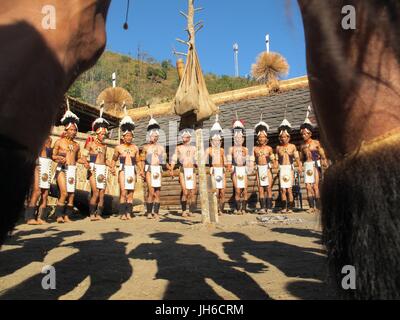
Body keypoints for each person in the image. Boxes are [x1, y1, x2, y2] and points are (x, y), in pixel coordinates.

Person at [52, 108, 90, 223]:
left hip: (72, 170)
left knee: (71, 194)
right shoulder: (59, 142)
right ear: (66, 130)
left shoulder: (77, 145)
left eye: (75, 130)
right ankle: (59, 215)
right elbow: (53, 156)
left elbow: (78, 158)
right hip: (62, 169)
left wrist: (85, 162)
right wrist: (58, 158)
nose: (74, 132)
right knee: (64, 192)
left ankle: (67, 216)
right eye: (72, 130)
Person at [84, 107, 115, 221]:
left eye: (104, 134)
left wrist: (111, 166)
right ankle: (92, 214)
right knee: (96, 192)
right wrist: (86, 164)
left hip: (102, 169)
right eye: (101, 134)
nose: (103, 136)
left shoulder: (105, 146)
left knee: (102, 193)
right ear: (97, 133)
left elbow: (105, 159)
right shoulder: (90, 144)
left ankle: (99, 214)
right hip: (93, 168)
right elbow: (83, 157)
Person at [110, 113, 140, 221]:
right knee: (123, 192)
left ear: (132, 136)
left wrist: (141, 170)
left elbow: (138, 161)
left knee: (131, 193)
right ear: (123, 137)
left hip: (132, 170)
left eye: (130, 136)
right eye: (127, 136)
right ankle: (122, 213)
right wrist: (112, 168)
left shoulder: (135, 148)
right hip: (122, 170)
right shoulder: (118, 148)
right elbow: (113, 159)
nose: (128, 137)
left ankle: (128, 213)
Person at [299, 107, 328, 213]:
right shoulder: (302, 146)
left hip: (315, 164)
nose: (303, 135)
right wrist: (300, 166)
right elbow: (302, 158)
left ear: (310, 133)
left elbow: (321, 153)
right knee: (307, 186)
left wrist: (324, 160)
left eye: (305, 133)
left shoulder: (315, 143)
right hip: (307, 165)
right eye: (302, 134)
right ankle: (311, 206)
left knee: (315, 186)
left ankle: (319, 206)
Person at [140, 116, 167, 220]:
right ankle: (149, 212)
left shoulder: (161, 147)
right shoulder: (145, 147)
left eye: (156, 136)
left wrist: (163, 158)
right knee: (151, 191)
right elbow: (142, 160)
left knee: (158, 192)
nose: (154, 138)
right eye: (152, 136)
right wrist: (142, 170)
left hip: (158, 169)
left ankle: (156, 212)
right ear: (149, 136)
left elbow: (163, 160)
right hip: (149, 169)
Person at [227, 117, 254, 215]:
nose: (238, 139)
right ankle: (238, 209)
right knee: (238, 190)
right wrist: (229, 167)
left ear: (243, 139)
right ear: (234, 138)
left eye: (240, 138)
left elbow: (249, 161)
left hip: (244, 169)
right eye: (236, 137)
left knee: (245, 190)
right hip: (235, 169)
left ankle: (244, 208)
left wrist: (250, 166)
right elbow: (229, 161)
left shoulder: (246, 149)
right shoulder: (231, 149)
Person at [275, 118, 302, 214]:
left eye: (285, 137)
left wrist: (299, 166)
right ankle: (284, 207)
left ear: (288, 137)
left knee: (289, 189)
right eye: (282, 137)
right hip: (282, 168)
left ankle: (290, 207)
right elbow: (276, 159)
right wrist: (275, 166)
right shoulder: (278, 148)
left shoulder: (292, 147)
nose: (283, 138)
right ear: (280, 138)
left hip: (289, 168)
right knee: (282, 189)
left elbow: (297, 158)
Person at [24, 136, 53, 225]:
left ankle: (41, 217)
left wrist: (58, 157)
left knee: (45, 193)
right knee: (37, 191)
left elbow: (51, 155)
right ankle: (30, 217)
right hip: (37, 165)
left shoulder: (49, 139)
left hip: (46, 166)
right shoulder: (35, 138)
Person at [169, 129, 197, 218]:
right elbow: (174, 158)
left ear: (189, 137)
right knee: (185, 191)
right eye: (182, 136)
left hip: (192, 170)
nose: (183, 138)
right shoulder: (179, 148)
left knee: (192, 191)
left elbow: (197, 159)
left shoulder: (194, 148)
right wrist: (171, 169)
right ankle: (184, 210)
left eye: (185, 136)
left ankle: (191, 210)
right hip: (183, 170)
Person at [205, 116, 227, 215]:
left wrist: (227, 166)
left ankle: (221, 209)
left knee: (222, 191)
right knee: (215, 191)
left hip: (221, 171)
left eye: (218, 140)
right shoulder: (208, 150)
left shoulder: (222, 150)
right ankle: (214, 208)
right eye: (214, 140)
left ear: (220, 141)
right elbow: (202, 160)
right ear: (211, 141)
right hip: (213, 171)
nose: (216, 142)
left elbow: (226, 161)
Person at [253, 118, 275, 215]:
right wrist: (253, 166)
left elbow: (273, 159)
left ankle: (269, 207)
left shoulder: (269, 148)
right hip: (259, 169)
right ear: (258, 138)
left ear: (266, 138)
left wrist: (274, 165)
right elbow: (253, 160)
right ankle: (262, 207)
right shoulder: (255, 149)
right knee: (260, 188)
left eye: (263, 137)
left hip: (267, 168)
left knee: (268, 188)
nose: (261, 139)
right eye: (260, 137)